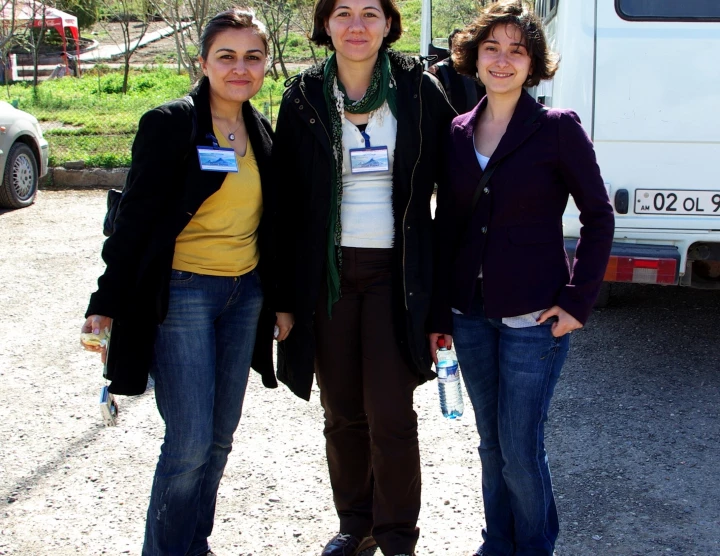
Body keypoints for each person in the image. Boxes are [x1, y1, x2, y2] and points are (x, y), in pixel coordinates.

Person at [80, 8, 278, 555]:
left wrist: (281, 299)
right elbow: (134, 221)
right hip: (183, 293)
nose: (241, 68)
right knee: (189, 441)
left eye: (252, 56)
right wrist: (106, 300)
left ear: (265, 64)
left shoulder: (261, 129)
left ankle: (194, 544)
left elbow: (272, 223)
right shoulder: (170, 123)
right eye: (227, 56)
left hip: (245, 294)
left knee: (219, 437)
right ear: (203, 62)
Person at [428, 2, 615, 555]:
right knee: (491, 444)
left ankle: (534, 547)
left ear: (533, 63)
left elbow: (599, 216)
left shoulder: (557, 128)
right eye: (493, 48)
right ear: (474, 56)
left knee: (521, 444)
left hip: (535, 315)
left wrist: (578, 301)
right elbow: (447, 229)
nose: (503, 59)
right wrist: (440, 315)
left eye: (517, 49)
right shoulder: (457, 131)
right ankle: (497, 542)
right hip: (470, 314)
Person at [271, 0, 455, 554]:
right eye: (343, 12)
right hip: (326, 276)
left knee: (391, 411)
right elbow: (283, 205)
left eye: (370, 13)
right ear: (325, 24)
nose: (357, 26)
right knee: (342, 410)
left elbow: (456, 187)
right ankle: (357, 524)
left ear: (389, 24)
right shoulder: (302, 96)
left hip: (395, 276)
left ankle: (399, 534)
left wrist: (441, 297)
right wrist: (282, 298)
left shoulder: (417, 90)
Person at [428, 29, 486, 114]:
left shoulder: (476, 67)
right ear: (451, 47)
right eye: (457, 45)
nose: (460, 49)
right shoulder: (439, 70)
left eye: (463, 45)